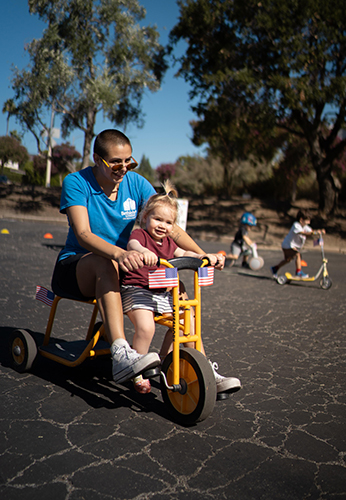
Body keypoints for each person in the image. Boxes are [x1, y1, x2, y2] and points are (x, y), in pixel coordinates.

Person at [51, 129, 224, 386]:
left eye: (129, 161)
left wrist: (202, 255)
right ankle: (121, 354)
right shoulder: (76, 182)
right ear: (98, 160)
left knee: (179, 285)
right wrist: (122, 254)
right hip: (79, 266)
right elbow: (84, 234)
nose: (124, 168)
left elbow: (169, 225)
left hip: (122, 267)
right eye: (116, 162)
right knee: (106, 263)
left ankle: (194, 364)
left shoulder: (136, 183)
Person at [121, 180, 242, 395]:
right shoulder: (141, 235)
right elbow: (133, 245)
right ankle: (136, 368)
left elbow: (184, 254)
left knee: (187, 321)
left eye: (168, 222)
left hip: (161, 291)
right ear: (145, 217)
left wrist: (203, 256)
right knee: (147, 327)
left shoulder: (169, 243)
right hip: (137, 289)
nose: (162, 225)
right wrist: (143, 252)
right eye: (157, 219)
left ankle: (197, 368)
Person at [270, 210, 325, 279]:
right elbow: (303, 233)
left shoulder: (305, 227)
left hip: (292, 246)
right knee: (298, 255)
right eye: (307, 220)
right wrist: (315, 233)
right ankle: (298, 272)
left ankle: (275, 268)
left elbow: (311, 232)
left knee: (288, 260)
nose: (309, 222)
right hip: (288, 245)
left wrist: (320, 232)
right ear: (301, 219)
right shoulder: (296, 225)